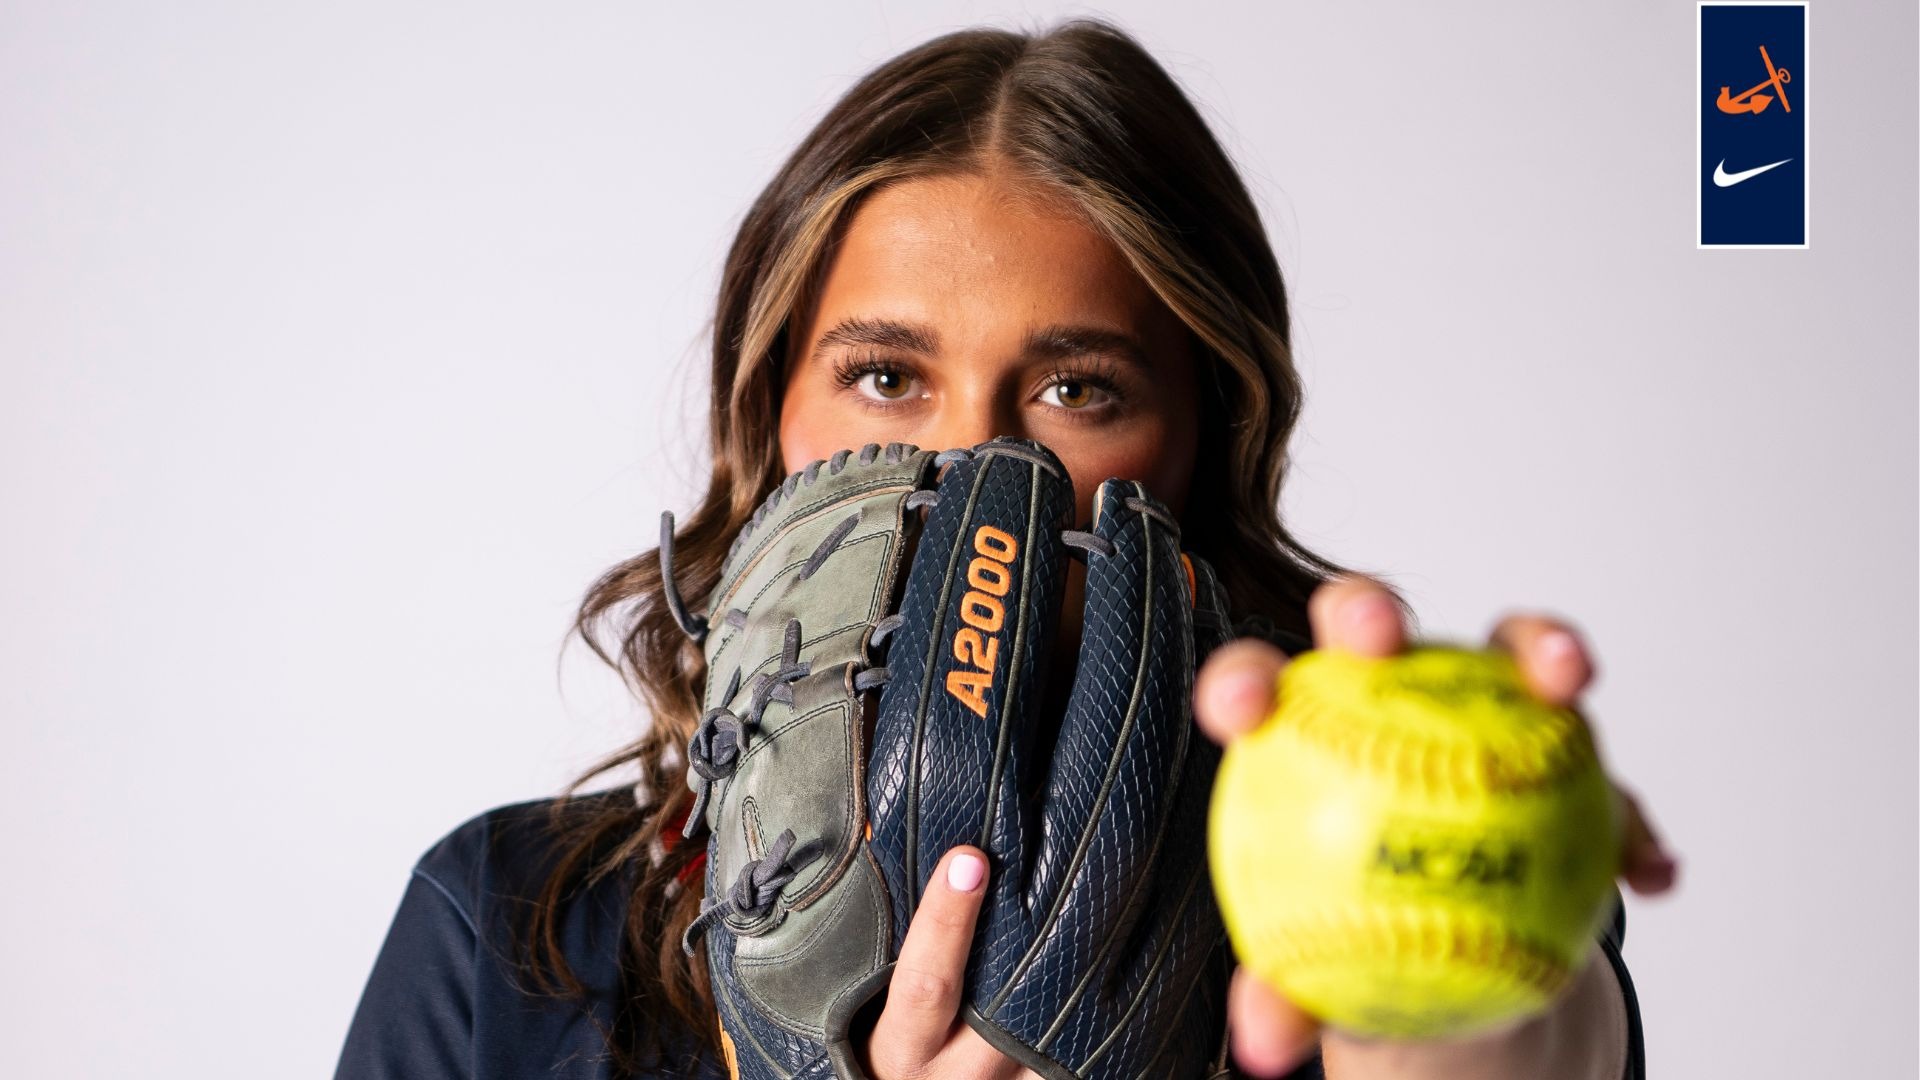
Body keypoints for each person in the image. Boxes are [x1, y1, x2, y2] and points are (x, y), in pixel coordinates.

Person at [334, 18, 1677, 1080]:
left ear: (1204, 441)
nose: (975, 469)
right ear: (768, 416)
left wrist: (1457, 1022)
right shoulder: (511, 933)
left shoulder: (1375, 872)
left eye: (1077, 390)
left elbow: (1516, 1047)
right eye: (884, 377)